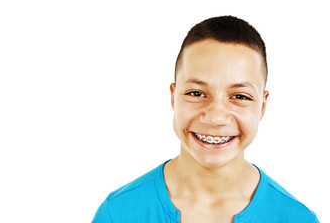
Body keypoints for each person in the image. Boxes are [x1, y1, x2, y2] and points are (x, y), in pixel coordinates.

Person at [92, 16, 319, 223]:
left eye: (239, 96)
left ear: (262, 106)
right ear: (173, 97)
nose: (215, 117)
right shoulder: (118, 213)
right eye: (196, 93)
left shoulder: (298, 219)